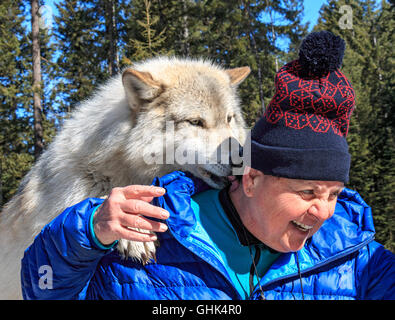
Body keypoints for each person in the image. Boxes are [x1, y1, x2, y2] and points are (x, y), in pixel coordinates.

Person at [21, 31, 394, 300]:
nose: (324, 211)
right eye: (307, 191)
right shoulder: (153, 226)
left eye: (334, 194)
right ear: (251, 179)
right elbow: (44, 288)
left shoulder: (354, 252)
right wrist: (86, 230)